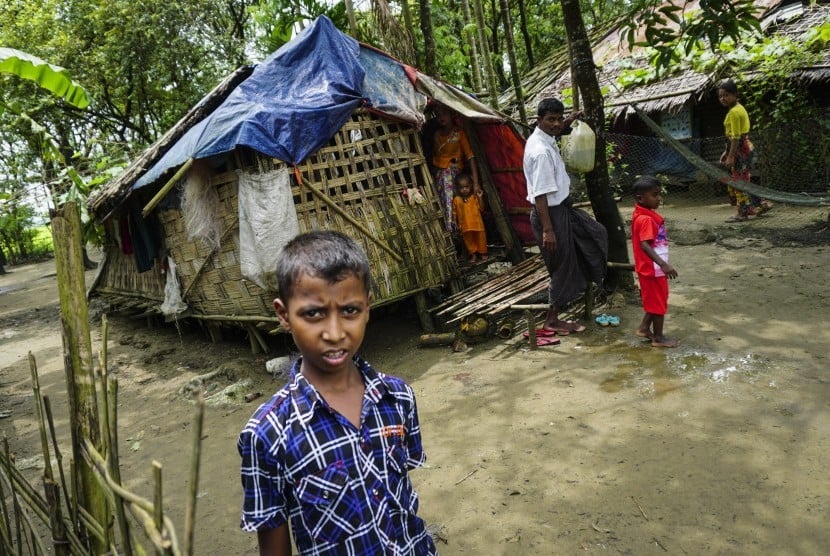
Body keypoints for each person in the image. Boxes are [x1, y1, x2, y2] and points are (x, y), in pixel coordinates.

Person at [238, 230, 437, 555]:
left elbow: (400, 498)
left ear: (368, 307)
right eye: (313, 313)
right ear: (283, 314)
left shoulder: (398, 398)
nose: (334, 333)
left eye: (350, 310)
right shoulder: (267, 435)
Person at [523, 97, 608, 336]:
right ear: (539, 120)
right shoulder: (541, 151)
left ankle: (582, 286)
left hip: (561, 210)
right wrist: (548, 230)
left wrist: (569, 120)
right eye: (551, 119)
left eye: (559, 119)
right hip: (550, 215)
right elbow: (540, 195)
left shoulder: (544, 137)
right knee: (562, 266)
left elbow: (558, 130)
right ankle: (552, 320)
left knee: (595, 233)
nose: (556, 124)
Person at [631, 176, 679, 348]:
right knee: (659, 303)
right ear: (640, 199)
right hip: (652, 269)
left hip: (652, 268)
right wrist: (663, 264)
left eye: (659, 194)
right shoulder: (646, 219)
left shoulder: (643, 215)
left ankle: (644, 328)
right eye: (655, 195)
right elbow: (645, 244)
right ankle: (658, 338)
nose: (659, 198)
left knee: (656, 299)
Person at [718, 78, 771, 222]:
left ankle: (742, 213)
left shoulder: (734, 112)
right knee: (743, 179)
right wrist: (726, 152)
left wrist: (730, 156)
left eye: (726, 95)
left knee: (738, 182)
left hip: (740, 150)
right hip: (745, 148)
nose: (723, 98)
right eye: (720, 96)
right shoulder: (739, 108)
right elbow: (734, 137)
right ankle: (760, 204)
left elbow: (736, 137)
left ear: (735, 94)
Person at [431, 103, 481, 230]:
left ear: (452, 114)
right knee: (445, 203)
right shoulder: (437, 134)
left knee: (457, 203)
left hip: (456, 175)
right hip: (440, 175)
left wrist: (475, 183)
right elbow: (436, 157)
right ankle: (450, 230)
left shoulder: (459, 133)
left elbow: (470, 156)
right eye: (438, 114)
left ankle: (458, 229)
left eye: (444, 113)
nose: (441, 117)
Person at [452, 173, 488, 264]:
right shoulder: (457, 199)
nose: (464, 189)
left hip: (477, 224)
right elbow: (454, 212)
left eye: (466, 187)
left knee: (481, 239)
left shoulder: (474, 197)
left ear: (471, 186)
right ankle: (473, 255)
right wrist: (454, 221)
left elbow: (482, 208)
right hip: (465, 226)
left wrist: (480, 198)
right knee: (469, 242)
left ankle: (483, 253)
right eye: (461, 187)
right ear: (457, 188)